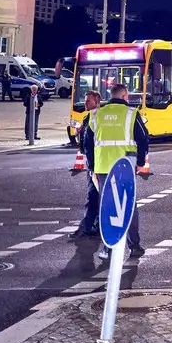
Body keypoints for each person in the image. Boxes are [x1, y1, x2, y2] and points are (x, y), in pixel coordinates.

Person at [79, 82, 150, 262]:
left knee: (107, 207)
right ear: (125, 96)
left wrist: (92, 167)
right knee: (129, 206)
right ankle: (134, 246)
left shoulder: (97, 114)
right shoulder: (132, 114)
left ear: (110, 96)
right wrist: (140, 162)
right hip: (125, 167)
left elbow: (87, 143)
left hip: (103, 169)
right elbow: (143, 139)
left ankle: (108, 248)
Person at [70, 90, 103, 240]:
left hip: (99, 164)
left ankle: (88, 227)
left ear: (97, 103)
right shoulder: (87, 117)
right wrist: (79, 134)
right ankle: (92, 226)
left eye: (88, 102)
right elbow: (85, 144)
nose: (85, 104)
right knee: (95, 197)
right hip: (93, 164)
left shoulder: (100, 118)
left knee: (93, 197)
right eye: (85, 101)